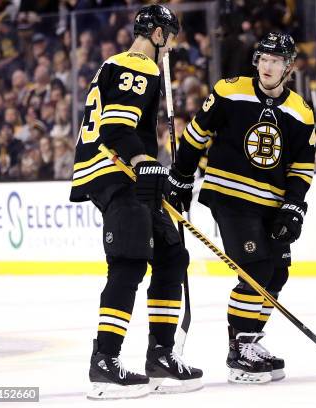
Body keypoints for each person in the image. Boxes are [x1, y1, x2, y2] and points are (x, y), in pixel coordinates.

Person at [68, 5, 202, 399]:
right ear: (158, 34)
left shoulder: (122, 65)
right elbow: (116, 127)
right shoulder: (138, 65)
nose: (171, 46)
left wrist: (159, 175)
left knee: (171, 255)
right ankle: (104, 362)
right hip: (117, 172)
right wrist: (145, 163)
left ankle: (160, 354)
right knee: (129, 261)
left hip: (124, 172)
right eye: (170, 37)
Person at [173, 32, 315, 384]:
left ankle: (251, 338)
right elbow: (195, 135)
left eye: (276, 61)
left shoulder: (300, 111)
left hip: (272, 203)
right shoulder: (229, 90)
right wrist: (180, 176)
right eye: (263, 59)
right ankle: (239, 351)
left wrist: (294, 207)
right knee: (256, 268)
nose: (268, 66)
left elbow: (301, 167)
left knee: (277, 273)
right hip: (231, 196)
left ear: (289, 67)